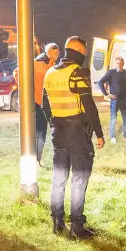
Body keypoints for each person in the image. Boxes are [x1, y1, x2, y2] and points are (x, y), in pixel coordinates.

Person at [43, 36, 105, 239]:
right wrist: (99, 133)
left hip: (58, 132)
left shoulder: (50, 73)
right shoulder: (78, 72)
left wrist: (54, 123)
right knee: (79, 177)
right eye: (84, 52)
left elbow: (45, 105)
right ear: (78, 50)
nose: (85, 56)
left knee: (59, 177)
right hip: (78, 133)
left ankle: (57, 221)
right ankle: (77, 226)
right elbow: (88, 105)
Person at [13, 42, 59, 165]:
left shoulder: (52, 66)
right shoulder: (36, 63)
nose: (57, 56)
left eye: (58, 53)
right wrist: (25, 90)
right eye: (55, 53)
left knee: (42, 131)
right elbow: (17, 73)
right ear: (48, 51)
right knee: (38, 131)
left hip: (45, 103)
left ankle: (36, 158)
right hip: (35, 103)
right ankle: (34, 159)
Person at [99, 55, 126, 142]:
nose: (119, 65)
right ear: (115, 63)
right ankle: (112, 136)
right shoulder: (111, 72)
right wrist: (107, 94)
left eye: (120, 63)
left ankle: (125, 134)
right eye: (117, 63)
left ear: (123, 64)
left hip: (123, 99)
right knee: (113, 119)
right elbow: (100, 82)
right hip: (115, 100)